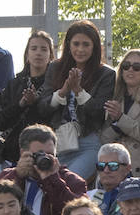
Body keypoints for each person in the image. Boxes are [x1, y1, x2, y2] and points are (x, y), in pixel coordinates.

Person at [38, 20, 114, 180]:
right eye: (76, 44)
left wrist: (79, 91)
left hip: (87, 143)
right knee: (54, 190)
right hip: (57, 143)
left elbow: (98, 112)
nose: (80, 49)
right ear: (68, 45)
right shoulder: (55, 67)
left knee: (70, 184)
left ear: (94, 47)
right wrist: (63, 91)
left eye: (86, 44)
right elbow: (42, 108)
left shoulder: (106, 74)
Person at [0, 123, 89, 215]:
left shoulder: (72, 181)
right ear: (23, 153)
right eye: (38, 154)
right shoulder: (6, 176)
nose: (44, 159)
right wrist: (18, 176)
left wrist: (52, 179)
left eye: (50, 155)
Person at [101, 48, 140, 191]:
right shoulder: (115, 95)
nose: (130, 70)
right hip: (114, 166)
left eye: (137, 67)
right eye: (126, 66)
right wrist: (117, 125)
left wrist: (120, 119)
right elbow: (103, 137)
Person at [0, 31, 55, 169]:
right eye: (33, 48)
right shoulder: (15, 84)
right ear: (27, 54)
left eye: (43, 49)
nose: (38, 53)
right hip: (13, 152)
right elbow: (1, 121)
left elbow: (54, 117)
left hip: (45, 152)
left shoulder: (55, 84)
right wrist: (21, 104)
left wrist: (35, 104)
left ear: (50, 56)